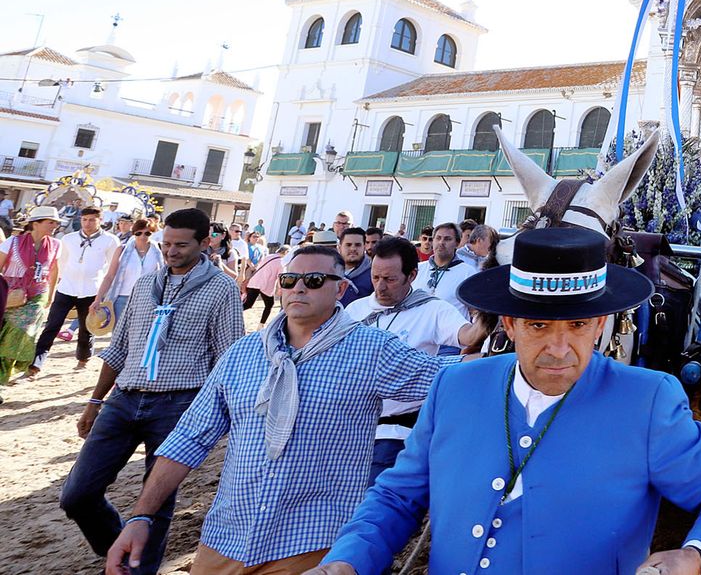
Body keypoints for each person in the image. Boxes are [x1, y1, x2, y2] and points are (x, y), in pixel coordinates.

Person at [308, 226, 701, 575]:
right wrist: (349, 558)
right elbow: (397, 497)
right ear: (510, 322)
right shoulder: (456, 387)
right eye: (539, 326)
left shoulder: (648, 401)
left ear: (601, 324)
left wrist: (699, 555)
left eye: (578, 326)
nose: (560, 349)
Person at [103, 240, 441, 575]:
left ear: (340, 290)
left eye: (313, 281)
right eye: (289, 280)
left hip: (314, 546)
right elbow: (189, 438)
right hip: (226, 540)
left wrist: (491, 355)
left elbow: (448, 379)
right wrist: (140, 516)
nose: (298, 289)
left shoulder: (372, 350)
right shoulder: (243, 353)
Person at [63, 208, 245, 575]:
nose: (171, 252)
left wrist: (218, 417)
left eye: (181, 245)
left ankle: (134, 569)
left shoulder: (221, 288)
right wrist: (94, 402)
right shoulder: (146, 284)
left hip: (179, 404)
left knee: (156, 503)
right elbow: (119, 348)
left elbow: (228, 358)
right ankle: (119, 545)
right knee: (77, 495)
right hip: (124, 397)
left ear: (204, 242)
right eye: (167, 244)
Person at [345, 236, 486, 483]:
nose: (380, 287)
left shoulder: (432, 309)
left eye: (390, 279)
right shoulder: (355, 311)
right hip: (349, 429)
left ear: (411, 276)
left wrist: (488, 311)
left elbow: (468, 335)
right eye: (376, 278)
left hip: (395, 434)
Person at [32, 205, 120, 374]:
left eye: (92, 220)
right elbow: (61, 263)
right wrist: (64, 280)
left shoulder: (110, 240)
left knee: (87, 328)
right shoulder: (69, 239)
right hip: (66, 288)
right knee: (52, 324)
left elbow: (111, 269)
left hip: (92, 290)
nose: (87, 224)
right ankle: (37, 362)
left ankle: (83, 358)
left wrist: (103, 293)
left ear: (100, 220)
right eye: (84, 219)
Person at [0, 207, 62, 386]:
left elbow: (54, 269)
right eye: (50, 222)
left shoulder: (56, 244)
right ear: (36, 223)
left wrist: (51, 294)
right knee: (6, 336)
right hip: (10, 293)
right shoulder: (12, 242)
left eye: (56, 223)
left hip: (38, 294)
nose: (55, 226)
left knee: (20, 332)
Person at [95, 218, 161, 323]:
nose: (143, 236)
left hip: (148, 299)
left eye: (147, 233)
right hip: (123, 298)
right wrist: (98, 299)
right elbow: (109, 276)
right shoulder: (122, 250)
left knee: (141, 334)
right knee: (118, 334)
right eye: (139, 233)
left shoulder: (159, 251)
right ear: (134, 233)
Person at [416, 221, 472, 316]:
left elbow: (475, 313)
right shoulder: (418, 269)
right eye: (438, 238)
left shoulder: (468, 274)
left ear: (457, 243)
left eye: (447, 239)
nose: (441, 242)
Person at [242, 242, 285, 325]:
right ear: (285, 253)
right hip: (266, 285)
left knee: (248, 304)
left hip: (255, 281)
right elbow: (280, 276)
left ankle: (234, 313)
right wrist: (280, 288)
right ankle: (261, 324)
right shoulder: (281, 262)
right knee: (269, 305)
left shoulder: (268, 256)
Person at [335, 227, 373, 306]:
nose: (353, 249)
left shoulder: (374, 275)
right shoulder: (330, 271)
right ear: (339, 247)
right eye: (348, 245)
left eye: (358, 245)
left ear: (364, 247)